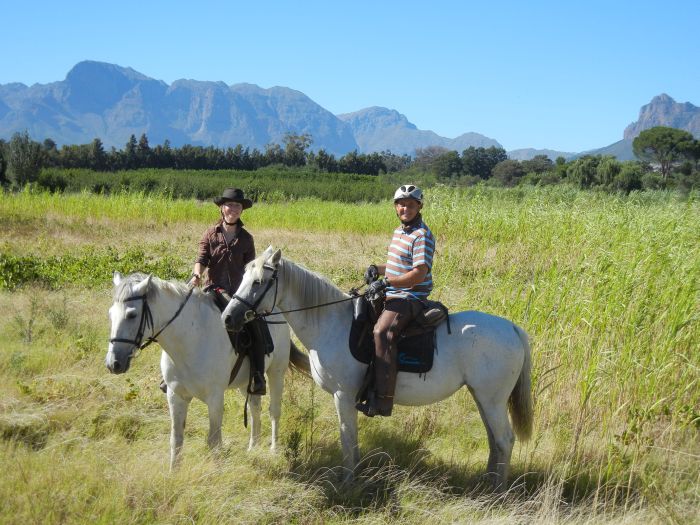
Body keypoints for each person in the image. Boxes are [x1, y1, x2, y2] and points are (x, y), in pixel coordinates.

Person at [358, 184, 435, 417]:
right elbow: (395, 266)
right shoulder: (399, 232)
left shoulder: (422, 235)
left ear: (419, 207)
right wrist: (377, 269)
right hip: (394, 292)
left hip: (410, 296)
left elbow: (418, 274)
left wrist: (387, 283)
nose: (405, 208)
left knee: (382, 332)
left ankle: (383, 400)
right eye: (401, 204)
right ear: (395, 207)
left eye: (411, 205)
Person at [192, 187, 266, 395]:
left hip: (237, 294)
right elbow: (201, 259)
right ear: (221, 208)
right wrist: (197, 275)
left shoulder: (246, 239)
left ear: (242, 210)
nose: (233, 209)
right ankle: (173, 375)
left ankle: (258, 376)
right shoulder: (210, 234)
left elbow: (250, 268)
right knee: (185, 320)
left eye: (238, 205)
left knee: (256, 326)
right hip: (211, 290)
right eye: (230, 205)